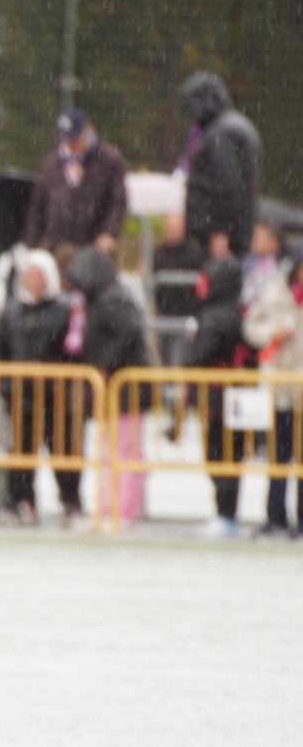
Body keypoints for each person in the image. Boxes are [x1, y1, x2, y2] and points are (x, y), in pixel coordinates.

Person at [0, 250, 82, 525]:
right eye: (30, 275)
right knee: (21, 454)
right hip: (21, 398)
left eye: (39, 275)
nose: (34, 281)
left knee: (64, 452)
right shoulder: (11, 311)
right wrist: (4, 383)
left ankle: (71, 502)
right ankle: (23, 502)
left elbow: (74, 351)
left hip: (56, 397)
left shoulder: (64, 310)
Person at [69, 247, 152, 524]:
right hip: (121, 388)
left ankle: (121, 508)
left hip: (125, 389)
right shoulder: (111, 297)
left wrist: (104, 364)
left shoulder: (111, 300)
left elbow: (128, 331)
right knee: (116, 450)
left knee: (122, 451)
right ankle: (113, 506)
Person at [184, 256, 255, 538]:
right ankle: (227, 513)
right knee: (230, 456)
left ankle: (225, 514)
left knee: (221, 454)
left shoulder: (215, 315)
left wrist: (190, 359)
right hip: (235, 396)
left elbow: (200, 355)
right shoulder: (237, 310)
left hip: (219, 397)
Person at [242, 251, 303, 538]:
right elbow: (251, 327)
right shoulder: (274, 291)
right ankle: (276, 516)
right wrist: (272, 332)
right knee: (278, 456)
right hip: (279, 387)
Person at [22, 109, 129, 256]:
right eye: (67, 139)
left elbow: (118, 201)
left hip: (93, 243)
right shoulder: (51, 163)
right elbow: (37, 206)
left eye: (75, 138)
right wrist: (34, 242)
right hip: (56, 244)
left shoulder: (109, 161)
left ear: (87, 130)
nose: (72, 144)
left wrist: (109, 233)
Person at [179, 71, 262, 260]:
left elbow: (227, 186)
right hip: (227, 232)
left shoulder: (222, 133)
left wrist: (222, 231)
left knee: (220, 284)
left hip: (220, 236)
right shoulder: (231, 127)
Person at [152, 213, 204, 368]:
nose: (171, 231)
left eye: (175, 228)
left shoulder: (194, 254)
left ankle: (175, 391)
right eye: (169, 228)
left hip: (184, 318)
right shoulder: (158, 254)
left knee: (177, 361)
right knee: (163, 361)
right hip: (163, 316)